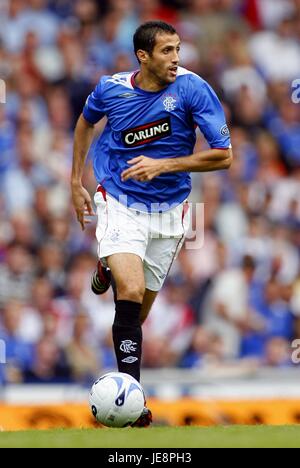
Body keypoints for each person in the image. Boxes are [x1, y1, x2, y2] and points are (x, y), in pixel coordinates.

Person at [71, 20, 232, 426]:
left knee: (135, 317)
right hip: (119, 199)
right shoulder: (112, 89)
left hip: (170, 212)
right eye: (166, 51)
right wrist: (75, 182)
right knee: (130, 288)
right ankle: (133, 400)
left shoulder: (193, 88)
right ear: (143, 56)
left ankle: (106, 264)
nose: (176, 58)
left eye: (177, 48)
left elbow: (224, 154)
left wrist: (165, 164)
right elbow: (85, 122)